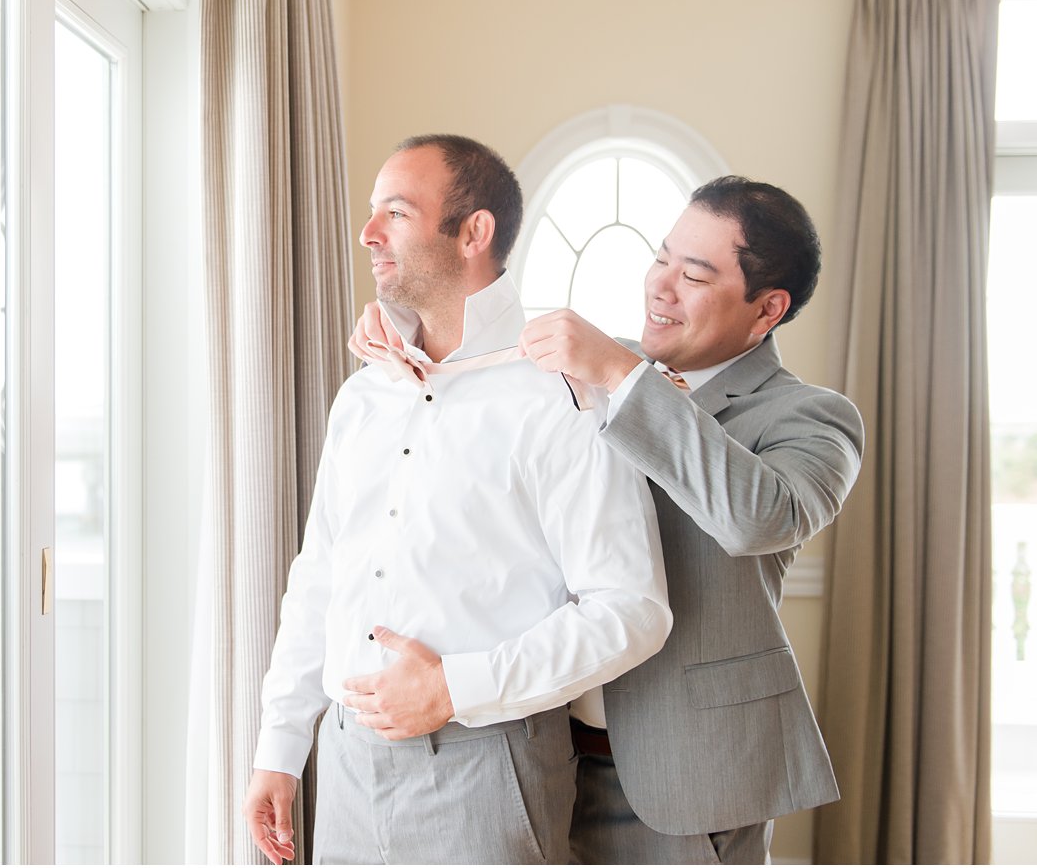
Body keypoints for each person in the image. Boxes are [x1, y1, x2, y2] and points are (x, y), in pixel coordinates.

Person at [352, 174, 865, 864]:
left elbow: (757, 518)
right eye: (661, 257)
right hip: (539, 755)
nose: (660, 285)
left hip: (686, 778)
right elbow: (482, 366)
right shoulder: (593, 369)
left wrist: (626, 375)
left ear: (767, 308)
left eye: (694, 274)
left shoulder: (811, 418)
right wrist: (408, 331)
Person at [243, 134, 672, 865]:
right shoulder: (364, 395)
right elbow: (320, 575)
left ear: (475, 232)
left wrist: (454, 690)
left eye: (398, 213)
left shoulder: (558, 399)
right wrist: (280, 747)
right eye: (373, 211)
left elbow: (632, 610)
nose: (367, 232)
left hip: (487, 770)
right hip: (345, 770)